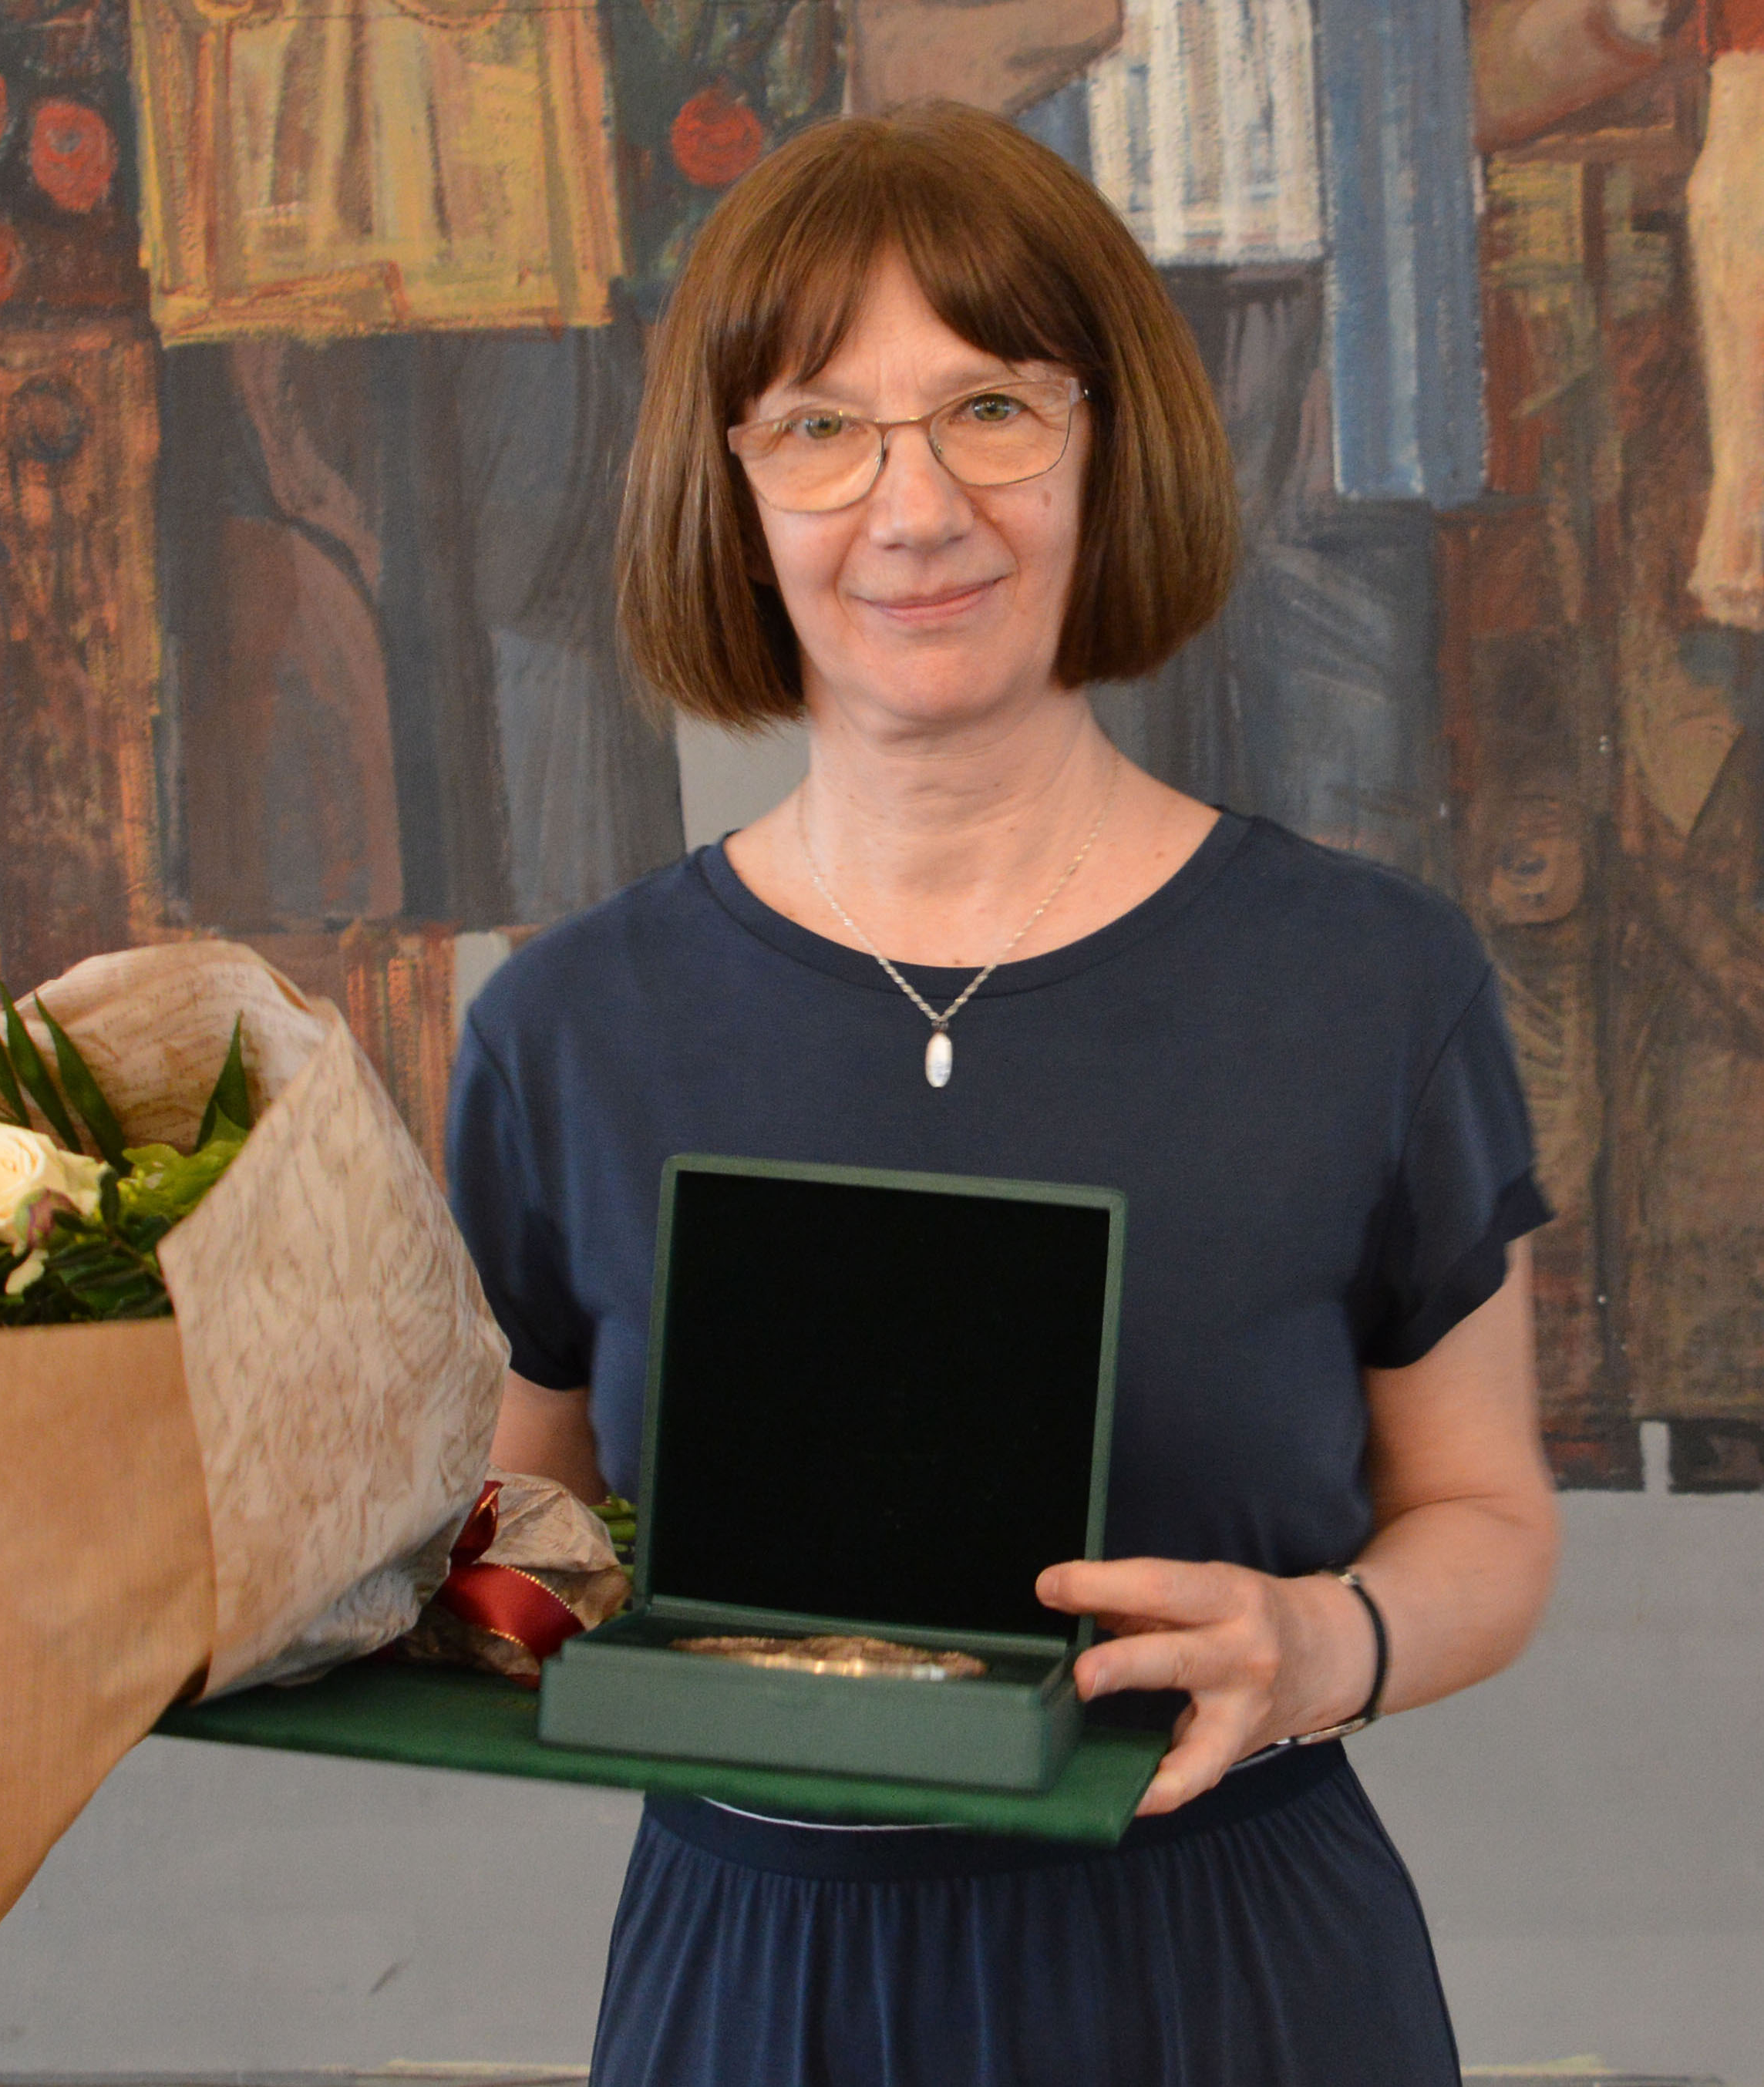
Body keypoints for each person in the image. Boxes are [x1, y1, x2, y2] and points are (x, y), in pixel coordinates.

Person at [446, 101, 1560, 2087]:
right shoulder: (568, 1030)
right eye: (820, 426)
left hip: (1233, 1968)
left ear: (1109, 444)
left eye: (991, 410)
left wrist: (1328, 1645)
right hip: (758, 1986)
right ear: (730, 486)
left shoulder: (1372, 985)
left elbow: (1484, 1517)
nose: (917, 509)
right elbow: (514, 1540)